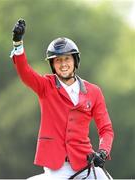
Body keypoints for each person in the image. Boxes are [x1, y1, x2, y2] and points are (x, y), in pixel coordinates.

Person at [10, 19, 114, 179]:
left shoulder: (94, 91)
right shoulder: (45, 86)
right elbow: (25, 72)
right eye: (58, 60)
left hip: (85, 162)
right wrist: (18, 43)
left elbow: (106, 129)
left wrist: (103, 151)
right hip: (56, 166)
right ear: (53, 64)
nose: (63, 64)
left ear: (75, 61)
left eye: (67, 59)